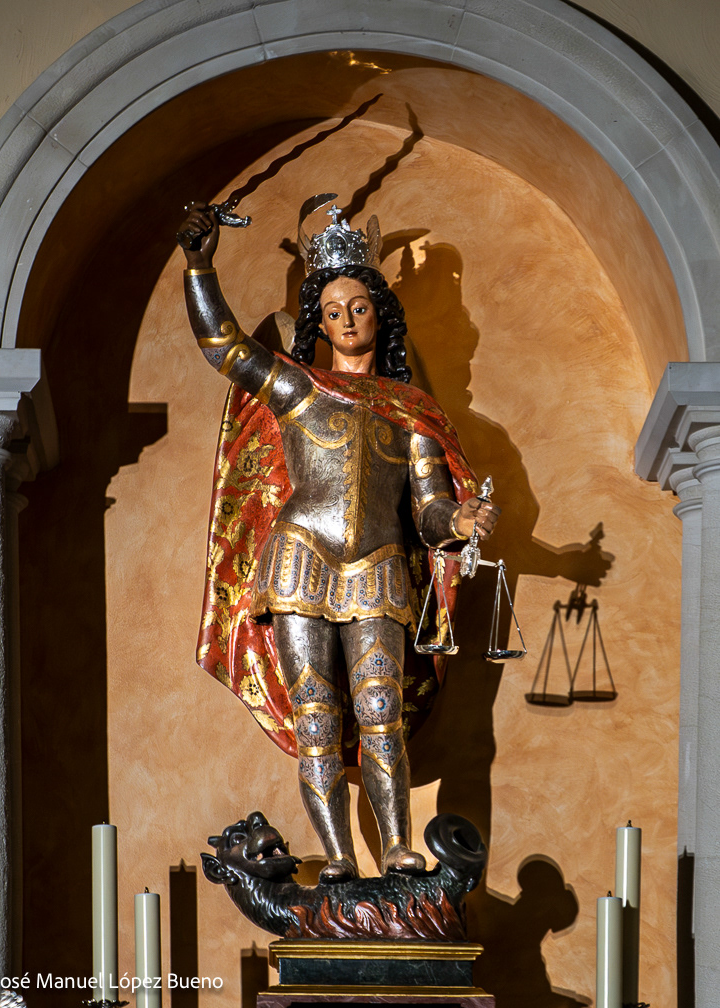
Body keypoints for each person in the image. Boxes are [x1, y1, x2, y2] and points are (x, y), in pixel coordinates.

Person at [178, 198, 499, 882]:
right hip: (300, 558)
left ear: (380, 315)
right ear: (318, 324)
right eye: (333, 312)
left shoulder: (411, 411)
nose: (348, 321)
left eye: (358, 307)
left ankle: (398, 847)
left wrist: (460, 523)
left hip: (379, 565)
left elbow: (428, 510)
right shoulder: (297, 387)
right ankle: (340, 858)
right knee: (318, 718)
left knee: (383, 713)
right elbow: (225, 348)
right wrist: (200, 267)